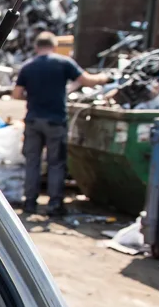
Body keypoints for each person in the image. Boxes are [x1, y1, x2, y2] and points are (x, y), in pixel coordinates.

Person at [13, 31, 111, 215]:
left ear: (36, 47)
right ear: (54, 46)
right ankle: (54, 204)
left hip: (33, 120)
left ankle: (30, 203)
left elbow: (16, 94)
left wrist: (34, 96)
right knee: (56, 163)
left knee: (32, 162)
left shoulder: (28, 66)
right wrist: (106, 78)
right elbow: (87, 81)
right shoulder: (63, 62)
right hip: (55, 121)